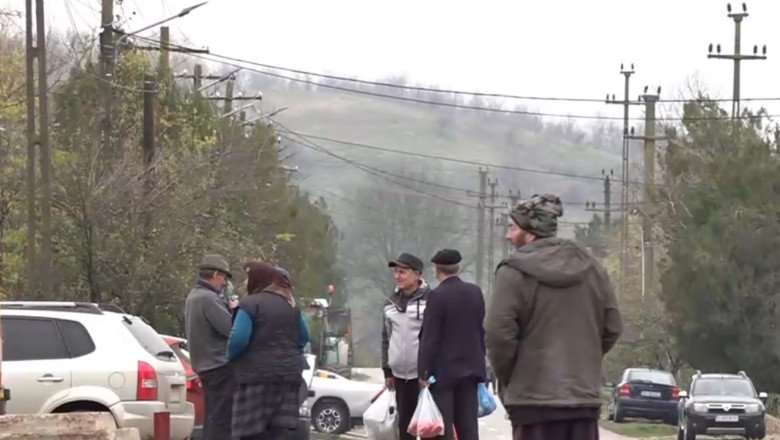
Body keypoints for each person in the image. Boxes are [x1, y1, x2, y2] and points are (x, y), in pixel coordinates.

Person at [485, 194, 624, 440]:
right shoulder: (592, 268)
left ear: (530, 233)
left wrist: (511, 378)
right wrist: (583, 359)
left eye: (513, 228)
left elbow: (498, 335)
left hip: (532, 403)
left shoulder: (512, 272)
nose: (508, 235)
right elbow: (612, 327)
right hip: (582, 400)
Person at [227, 262, 309, 440]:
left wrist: (230, 357)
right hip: (288, 377)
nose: (245, 282)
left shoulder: (249, 305)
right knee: (279, 432)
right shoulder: (291, 306)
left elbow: (239, 340)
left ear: (256, 280)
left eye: (248, 278)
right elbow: (303, 337)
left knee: (252, 432)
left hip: (257, 378)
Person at [419, 248, 486, 440]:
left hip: (444, 374)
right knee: (468, 428)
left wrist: (424, 371)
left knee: (443, 427)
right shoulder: (475, 292)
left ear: (437, 269)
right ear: (457, 268)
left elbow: (430, 338)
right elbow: (480, 330)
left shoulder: (437, 296)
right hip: (471, 370)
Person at [184, 254, 236, 440]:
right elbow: (230, 329)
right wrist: (234, 310)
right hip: (219, 366)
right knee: (221, 421)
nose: (225, 283)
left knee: (212, 417)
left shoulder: (193, 296)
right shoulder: (209, 298)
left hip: (204, 366)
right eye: (224, 278)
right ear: (215, 275)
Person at [382, 252, 431, 440]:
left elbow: (436, 338)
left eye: (402, 272)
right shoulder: (390, 303)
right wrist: (387, 371)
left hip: (424, 376)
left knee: (429, 427)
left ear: (417, 274)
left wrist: (429, 371)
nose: (397, 276)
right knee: (405, 427)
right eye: (396, 272)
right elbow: (385, 338)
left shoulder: (431, 300)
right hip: (400, 376)